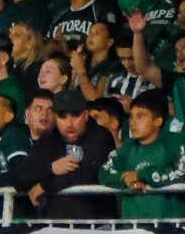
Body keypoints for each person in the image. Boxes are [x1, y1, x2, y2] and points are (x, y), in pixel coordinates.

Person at [99, 89, 185, 219]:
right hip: (132, 227)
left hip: (170, 226)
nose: (132, 122)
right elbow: (104, 173)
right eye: (131, 116)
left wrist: (141, 175)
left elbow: (180, 172)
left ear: (158, 121)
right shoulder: (127, 147)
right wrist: (124, 178)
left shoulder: (174, 143)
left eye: (140, 116)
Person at [24, 89, 117, 219]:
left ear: (85, 115)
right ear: (55, 117)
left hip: (97, 221)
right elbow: (26, 171)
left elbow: (92, 173)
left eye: (75, 115)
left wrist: (46, 185)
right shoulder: (49, 138)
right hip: (54, 222)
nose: (69, 123)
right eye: (62, 116)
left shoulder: (100, 135)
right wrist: (51, 168)